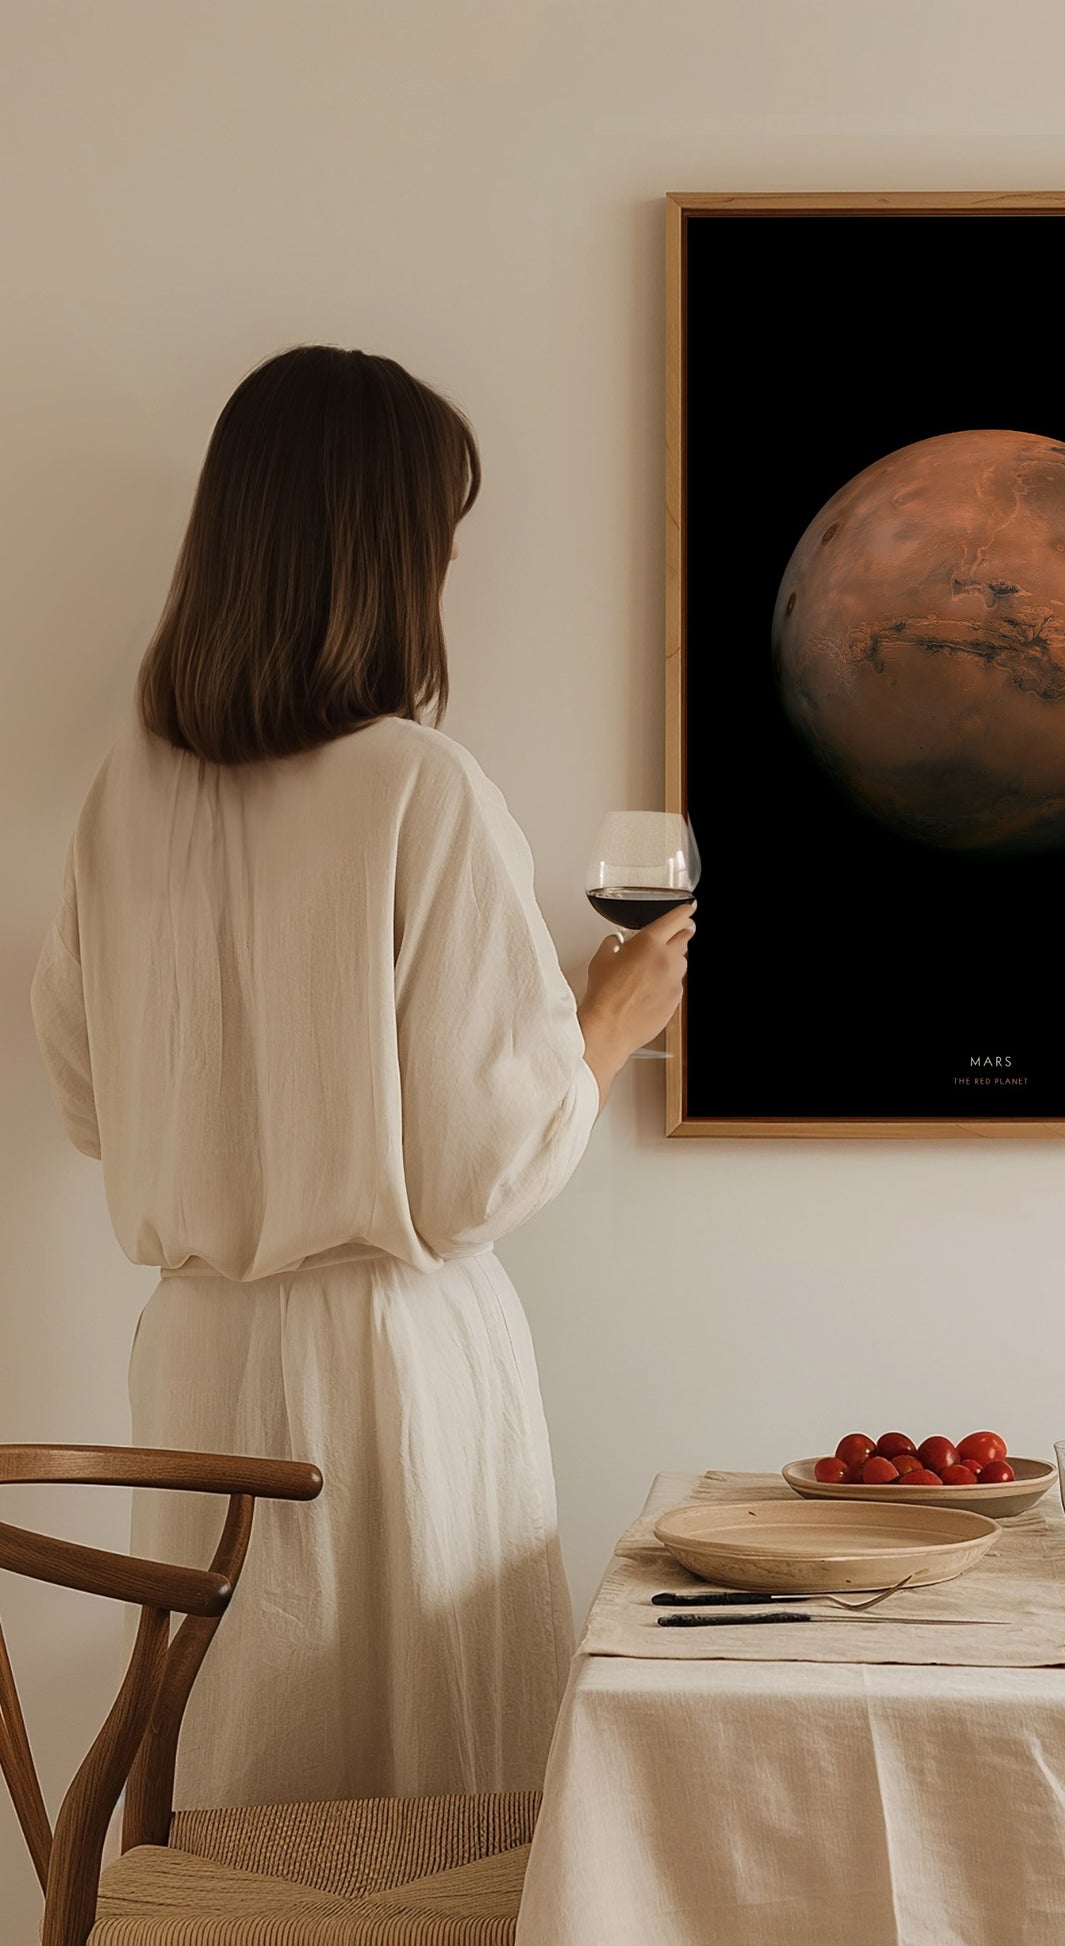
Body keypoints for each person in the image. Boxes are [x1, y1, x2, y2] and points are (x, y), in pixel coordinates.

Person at [29, 345, 690, 1806]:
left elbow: (87, 1100)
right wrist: (605, 1020)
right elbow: (473, 1173)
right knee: (423, 1809)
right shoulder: (417, 785)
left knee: (241, 1788)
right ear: (388, 555)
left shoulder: (122, 797)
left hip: (198, 1361)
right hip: (390, 1372)